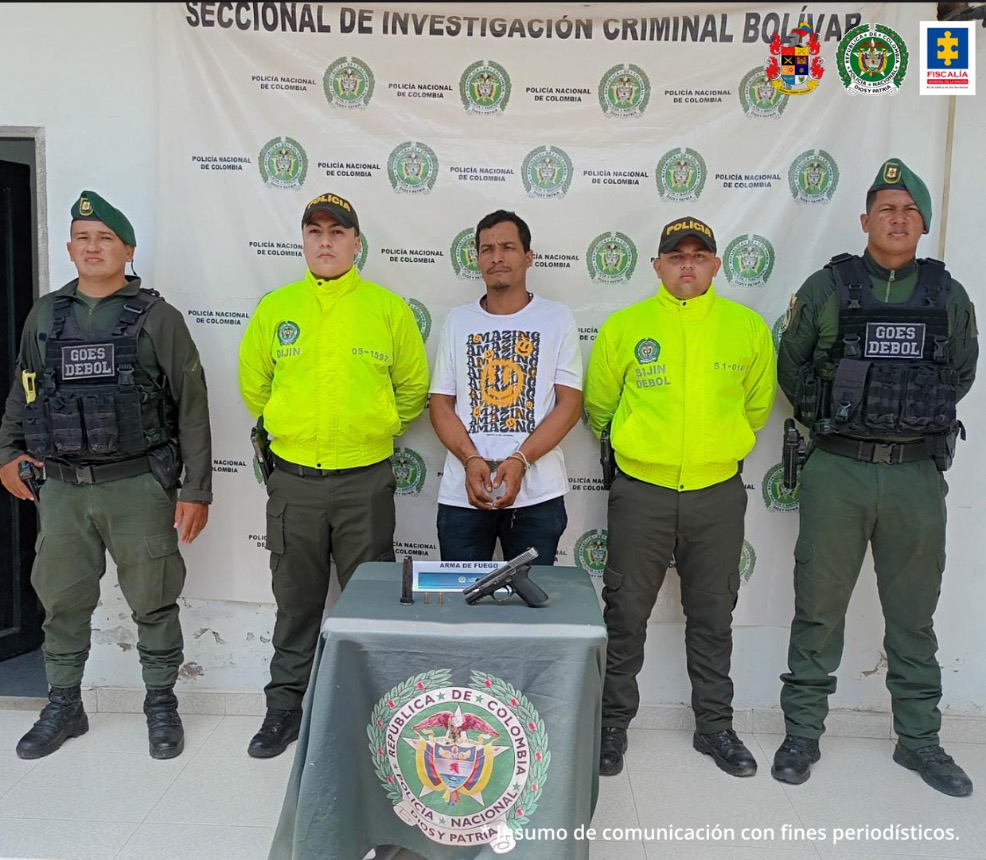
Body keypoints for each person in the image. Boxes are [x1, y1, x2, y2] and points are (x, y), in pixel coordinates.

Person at [773, 158, 979, 797]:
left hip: (916, 475)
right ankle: (803, 732)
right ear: (865, 220)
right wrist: (836, 420)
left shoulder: (948, 294)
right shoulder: (829, 288)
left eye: (908, 211)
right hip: (838, 472)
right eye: (886, 209)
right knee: (819, 609)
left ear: (923, 224)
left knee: (914, 616)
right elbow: (792, 365)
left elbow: (964, 372)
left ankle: (919, 742)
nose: (897, 219)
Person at [0, 190, 212, 761]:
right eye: (84, 238)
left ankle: (161, 702)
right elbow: (24, 388)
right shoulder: (46, 313)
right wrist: (8, 451)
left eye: (106, 239)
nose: (94, 247)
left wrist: (196, 490)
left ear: (128, 250)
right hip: (63, 490)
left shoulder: (158, 318)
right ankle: (64, 704)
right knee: (62, 599)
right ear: (70, 248)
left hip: (138, 485)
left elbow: (191, 406)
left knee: (154, 599)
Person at [238, 192, 428, 758]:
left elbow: (413, 388)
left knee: (369, 603)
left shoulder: (387, 309)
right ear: (304, 240)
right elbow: (255, 387)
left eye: (337, 232)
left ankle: (378, 714)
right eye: (315, 231)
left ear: (356, 242)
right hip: (293, 483)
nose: (326, 241)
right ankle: (283, 711)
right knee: (295, 602)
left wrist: (379, 423)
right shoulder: (278, 308)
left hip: (363, 483)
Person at [584, 216, 776, 778]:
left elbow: (757, 408)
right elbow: (601, 406)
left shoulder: (746, 328)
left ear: (716, 264)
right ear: (657, 266)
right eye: (675, 256)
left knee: (714, 614)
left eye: (698, 255)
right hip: (641, 491)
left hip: (716, 495)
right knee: (625, 615)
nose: (686, 264)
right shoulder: (626, 326)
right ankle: (611, 726)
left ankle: (715, 727)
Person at [429, 210, 582, 563]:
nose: (497, 257)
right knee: (459, 603)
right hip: (462, 491)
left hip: (537, 493)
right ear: (478, 258)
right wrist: (470, 459)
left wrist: (520, 460)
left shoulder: (557, 318)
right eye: (487, 249)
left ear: (529, 256)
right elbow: (440, 404)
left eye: (508, 247)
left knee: (532, 604)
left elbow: (569, 405)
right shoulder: (458, 321)